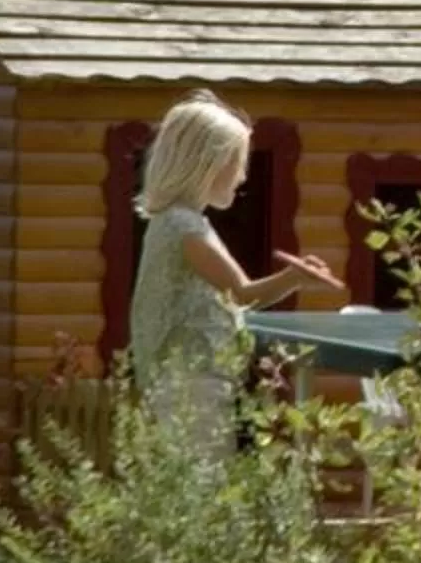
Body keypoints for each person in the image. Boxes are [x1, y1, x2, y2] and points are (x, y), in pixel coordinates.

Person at [126, 91, 341, 457]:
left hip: (189, 376)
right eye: (236, 163)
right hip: (190, 381)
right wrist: (294, 277)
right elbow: (242, 293)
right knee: (201, 484)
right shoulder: (183, 226)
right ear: (206, 164)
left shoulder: (182, 222)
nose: (242, 176)